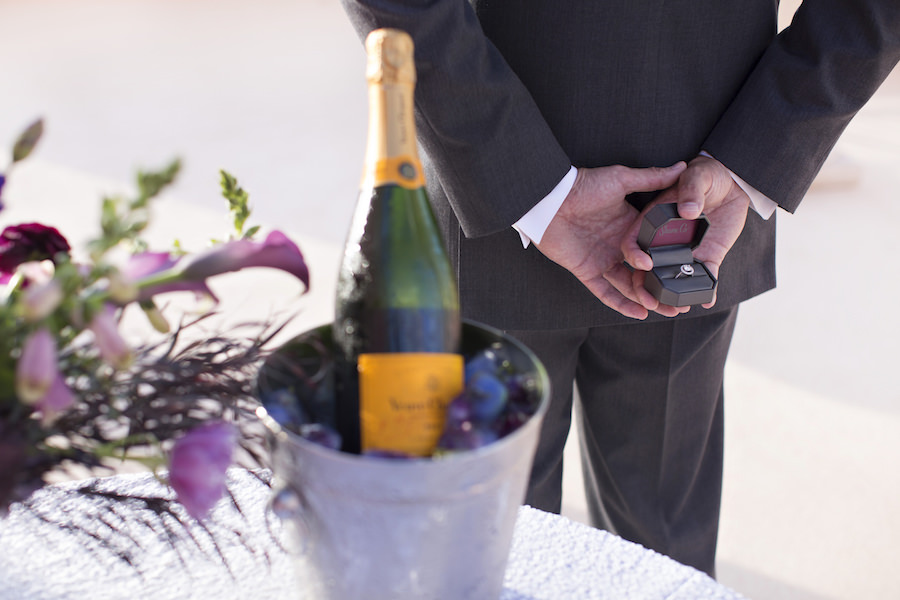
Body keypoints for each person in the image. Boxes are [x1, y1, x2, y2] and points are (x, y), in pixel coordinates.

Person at [339, 0, 900, 576]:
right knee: (555, 554)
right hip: (684, 215)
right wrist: (754, 154)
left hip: (634, 223)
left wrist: (522, 178)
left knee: (495, 556)